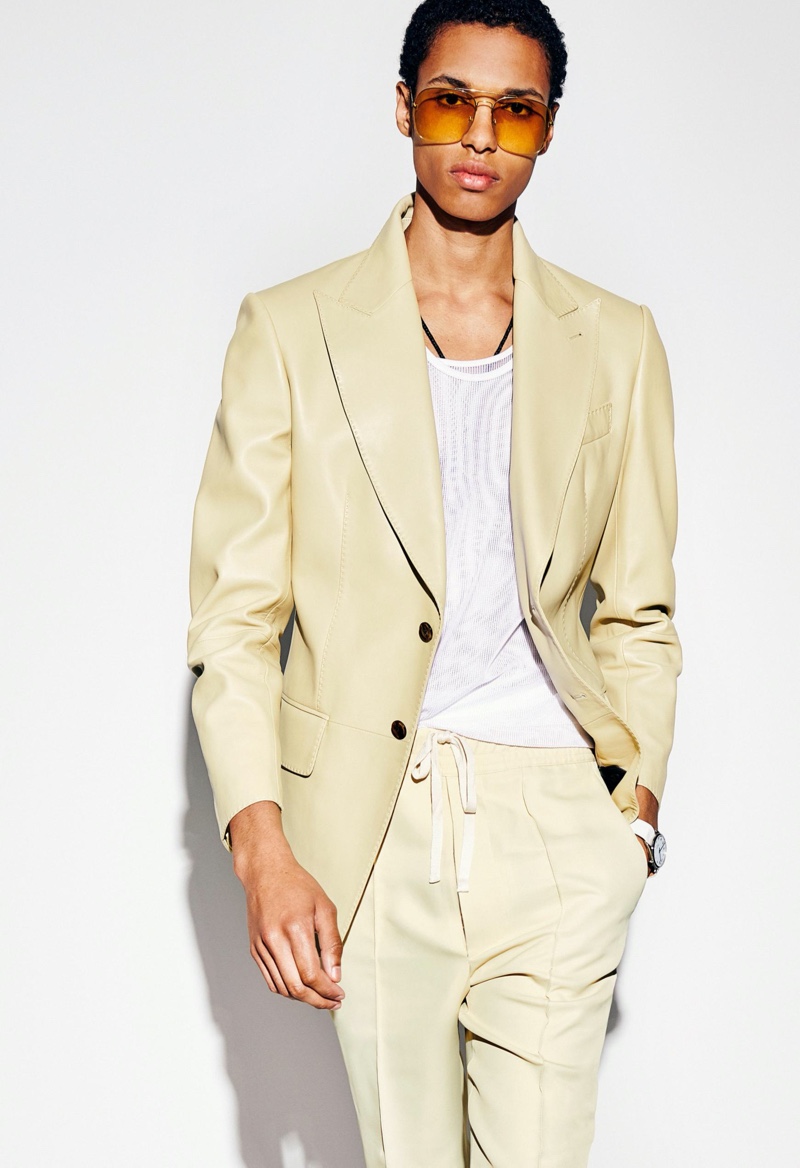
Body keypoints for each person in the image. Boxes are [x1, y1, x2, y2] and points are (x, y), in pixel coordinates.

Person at [186, 1, 682, 1163]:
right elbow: (236, 618)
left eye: (516, 111)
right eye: (453, 101)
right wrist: (263, 848)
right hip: (371, 823)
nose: (480, 137)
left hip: (555, 818)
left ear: (547, 128)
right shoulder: (290, 329)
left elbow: (640, 606)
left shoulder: (615, 342)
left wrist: (630, 821)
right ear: (405, 104)